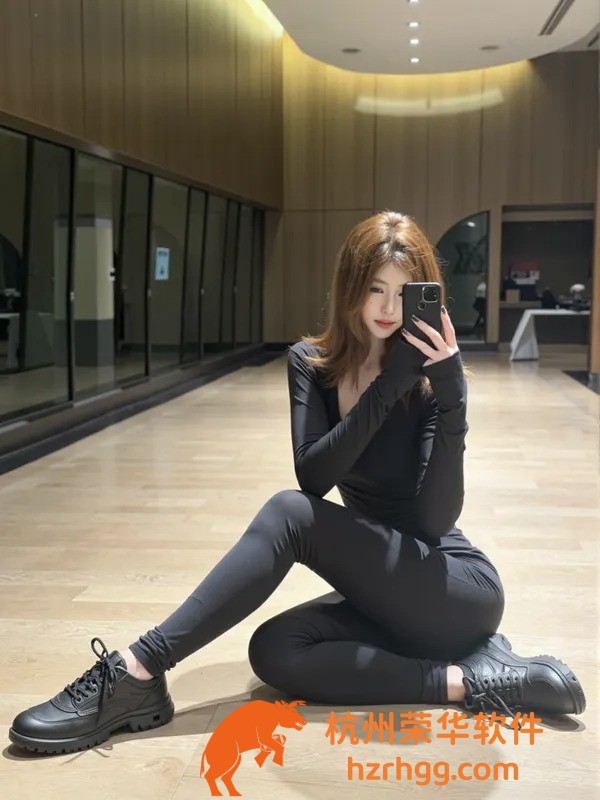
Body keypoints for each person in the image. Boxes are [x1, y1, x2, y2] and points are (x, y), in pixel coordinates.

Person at [9, 211, 586, 756]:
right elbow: (314, 475)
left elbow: (433, 521)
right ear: (350, 287)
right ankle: (471, 680)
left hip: (453, 589)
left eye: (403, 292)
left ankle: (138, 669)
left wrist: (453, 398)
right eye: (375, 289)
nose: (388, 308)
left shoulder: (433, 385)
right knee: (275, 650)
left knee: (289, 514)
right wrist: (386, 386)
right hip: (382, 590)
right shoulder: (311, 363)